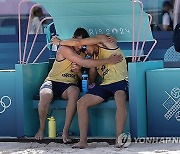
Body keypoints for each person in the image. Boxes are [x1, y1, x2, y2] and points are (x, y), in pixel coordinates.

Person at [35, 28, 122, 143]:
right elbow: (84, 62)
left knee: (74, 92)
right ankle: (41, 128)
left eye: (83, 44)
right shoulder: (64, 48)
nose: (80, 47)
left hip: (69, 85)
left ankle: (65, 130)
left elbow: (89, 79)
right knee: (45, 95)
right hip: (53, 81)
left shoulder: (85, 52)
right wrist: (108, 61)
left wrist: (79, 72)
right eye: (78, 43)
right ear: (73, 39)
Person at [57, 34, 128, 148]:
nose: (85, 52)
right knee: (81, 103)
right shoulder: (94, 59)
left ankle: (119, 138)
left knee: (120, 98)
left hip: (120, 81)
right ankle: (83, 141)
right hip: (105, 84)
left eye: (85, 48)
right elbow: (91, 82)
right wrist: (80, 71)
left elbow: (78, 43)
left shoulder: (106, 42)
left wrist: (59, 42)